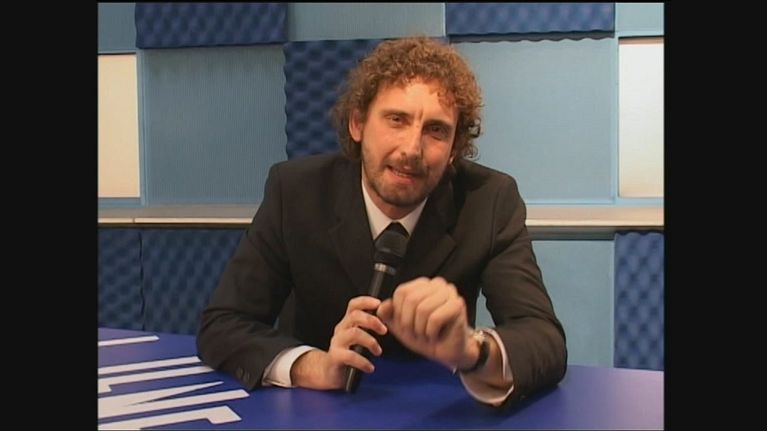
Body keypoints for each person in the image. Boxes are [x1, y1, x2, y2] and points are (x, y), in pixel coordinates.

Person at [197, 36, 566, 407]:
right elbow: (224, 324)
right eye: (396, 120)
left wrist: (471, 350)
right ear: (358, 123)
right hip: (317, 413)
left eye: (436, 130)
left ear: (455, 148)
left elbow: (544, 339)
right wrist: (314, 366)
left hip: (437, 410)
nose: (411, 149)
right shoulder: (295, 192)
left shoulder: (489, 200)